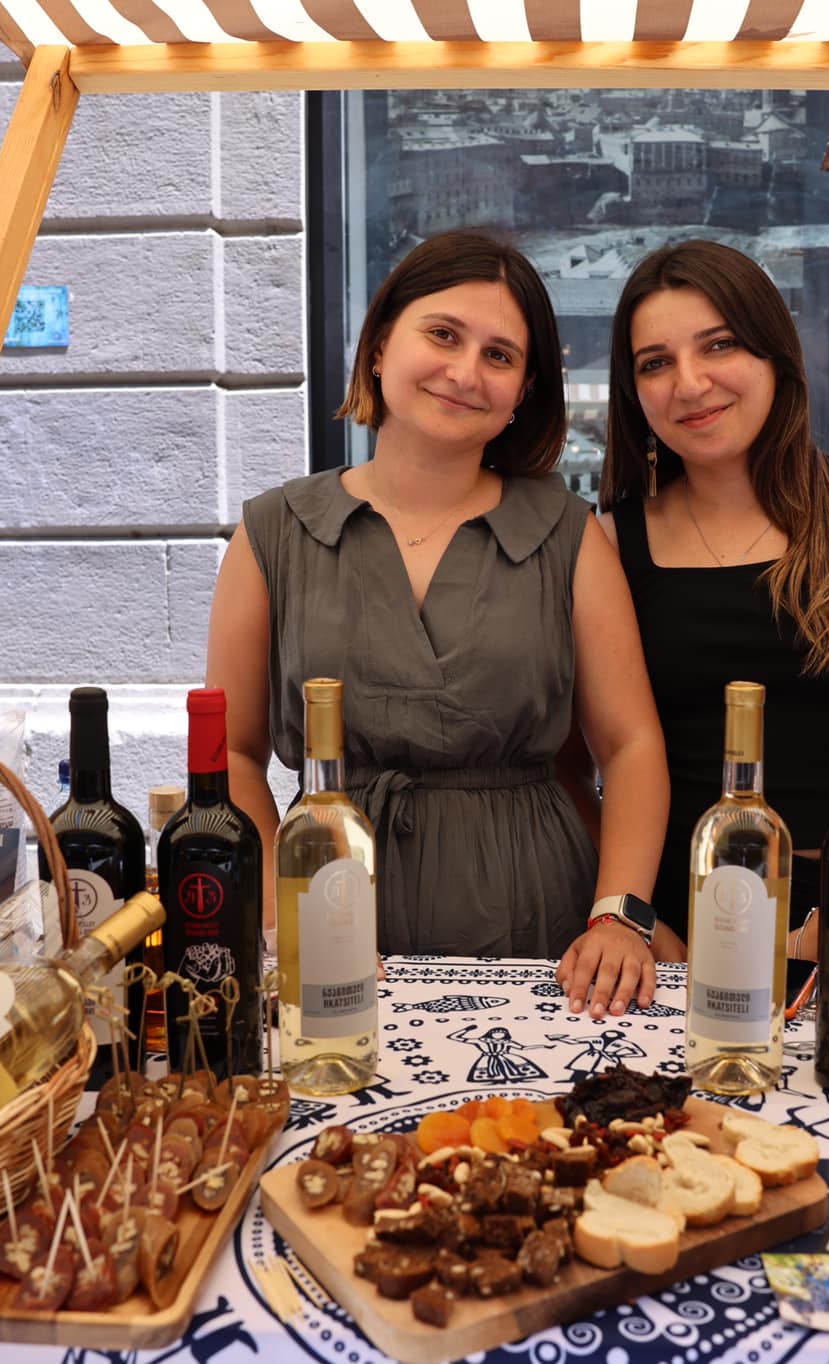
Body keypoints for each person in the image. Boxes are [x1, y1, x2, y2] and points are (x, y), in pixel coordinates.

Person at [205, 231, 671, 1021]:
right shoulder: (272, 533)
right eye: (444, 335)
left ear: (523, 391)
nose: (465, 372)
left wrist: (619, 915)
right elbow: (235, 756)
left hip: (542, 927)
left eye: (500, 355)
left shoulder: (569, 535)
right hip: (329, 918)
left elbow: (630, 745)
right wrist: (281, 917)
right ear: (380, 345)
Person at [595, 240, 829, 951]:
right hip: (670, 929)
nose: (689, 383)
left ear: (775, 354)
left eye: (719, 345)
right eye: (655, 363)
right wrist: (638, 921)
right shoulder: (609, 539)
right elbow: (605, 761)